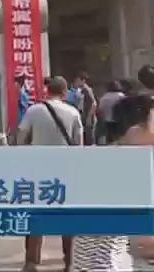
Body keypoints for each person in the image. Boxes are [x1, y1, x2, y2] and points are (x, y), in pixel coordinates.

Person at [72, 93, 154, 270]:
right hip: (104, 265)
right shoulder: (123, 169)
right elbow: (145, 242)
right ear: (136, 128)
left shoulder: (110, 159)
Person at [17, 76, 82, 272]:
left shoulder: (34, 110)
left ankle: (31, 262)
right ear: (64, 92)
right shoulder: (73, 112)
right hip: (66, 169)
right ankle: (69, 262)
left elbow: (20, 138)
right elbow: (79, 146)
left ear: (48, 90)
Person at [97, 80, 125, 144]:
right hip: (118, 121)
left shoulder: (104, 97)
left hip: (107, 121)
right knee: (118, 138)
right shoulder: (121, 96)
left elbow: (100, 109)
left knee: (109, 139)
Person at [73, 73, 97, 145]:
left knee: (89, 138)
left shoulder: (86, 90)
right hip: (85, 117)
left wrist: (89, 117)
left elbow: (94, 104)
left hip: (88, 118)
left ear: (83, 81)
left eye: (77, 80)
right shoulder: (81, 90)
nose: (76, 82)